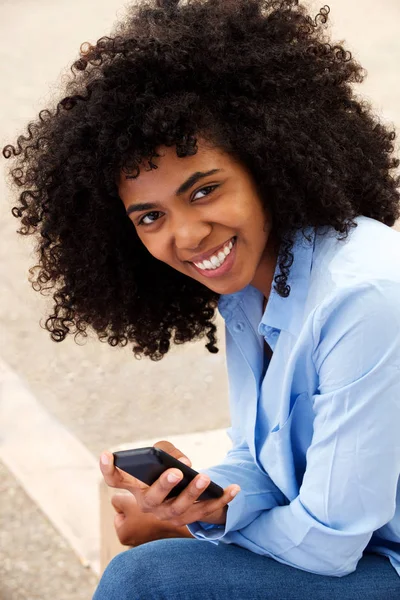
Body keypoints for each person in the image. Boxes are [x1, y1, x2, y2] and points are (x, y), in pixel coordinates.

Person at [3, 0, 400, 597]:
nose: (186, 236)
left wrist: (195, 527)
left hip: (375, 560)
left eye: (205, 190)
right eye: (150, 216)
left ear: (267, 162)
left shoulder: (364, 297)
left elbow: (328, 540)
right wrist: (199, 491)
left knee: (147, 578)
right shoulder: (251, 290)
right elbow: (267, 463)